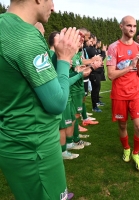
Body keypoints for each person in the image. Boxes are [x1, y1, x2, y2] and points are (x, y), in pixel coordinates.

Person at [0, 0, 83, 199]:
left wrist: (55, 56)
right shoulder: (26, 36)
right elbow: (56, 103)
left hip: (13, 140)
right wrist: (64, 59)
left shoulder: (4, 25)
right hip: (36, 147)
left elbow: (26, 77)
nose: (53, 7)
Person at [106, 15, 139, 171]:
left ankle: (136, 153)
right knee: (122, 125)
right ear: (121, 26)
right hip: (119, 94)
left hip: (136, 93)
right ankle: (126, 149)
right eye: (129, 25)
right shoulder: (113, 47)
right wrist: (130, 66)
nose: (132, 29)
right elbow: (110, 75)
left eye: (134, 26)